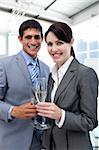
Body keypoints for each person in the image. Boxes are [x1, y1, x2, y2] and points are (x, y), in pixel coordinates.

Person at [36, 22, 99, 150]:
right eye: (49, 44)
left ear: (71, 42)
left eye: (59, 43)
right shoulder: (51, 75)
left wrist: (61, 115)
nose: (53, 49)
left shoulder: (85, 74)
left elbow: (90, 121)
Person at [0, 19, 50, 150]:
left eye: (37, 37)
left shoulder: (46, 68)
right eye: (28, 37)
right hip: (13, 141)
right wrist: (13, 111)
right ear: (20, 39)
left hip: (40, 140)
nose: (33, 42)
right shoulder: (4, 65)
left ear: (42, 39)